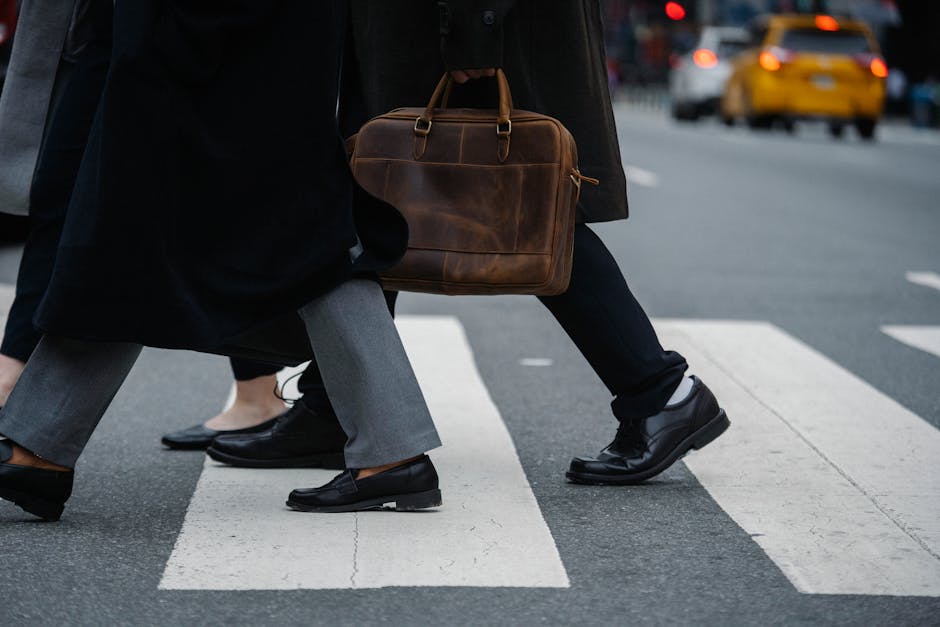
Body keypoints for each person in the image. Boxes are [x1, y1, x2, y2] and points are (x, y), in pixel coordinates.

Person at [205, 0, 730, 486]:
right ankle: (335, 409)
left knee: (528, 208)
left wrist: (475, 26)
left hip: (460, 34)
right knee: (373, 201)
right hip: (430, 31)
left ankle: (661, 391)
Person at [0, 0, 443, 521]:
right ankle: (39, 448)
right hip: (240, 38)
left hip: (208, 37)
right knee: (280, 229)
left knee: (169, 225)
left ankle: (40, 448)